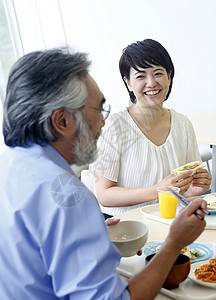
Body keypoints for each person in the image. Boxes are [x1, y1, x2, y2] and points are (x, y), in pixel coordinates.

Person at [0, 47, 207, 300]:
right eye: (99, 110)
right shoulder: (67, 195)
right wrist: (175, 242)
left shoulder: (10, 167)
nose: (103, 122)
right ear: (62, 121)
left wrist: (92, 234)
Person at [91, 39, 211, 217]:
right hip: (125, 227)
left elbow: (181, 190)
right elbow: (104, 195)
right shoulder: (115, 126)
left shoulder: (182, 124)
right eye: (140, 76)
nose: (151, 83)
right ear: (128, 83)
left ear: (169, 76)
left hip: (169, 220)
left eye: (158, 73)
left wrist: (193, 189)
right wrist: (159, 189)